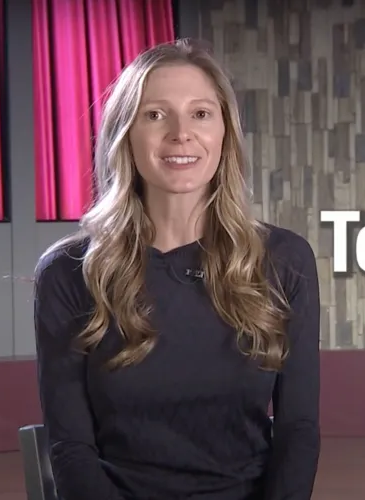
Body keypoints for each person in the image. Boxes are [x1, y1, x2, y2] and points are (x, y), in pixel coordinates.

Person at [33, 38, 321, 500]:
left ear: (224, 133)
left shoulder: (284, 260)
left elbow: (299, 429)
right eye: (155, 114)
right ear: (125, 133)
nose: (180, 133)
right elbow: (71, 448)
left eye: (201, 114)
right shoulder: (68, 273)